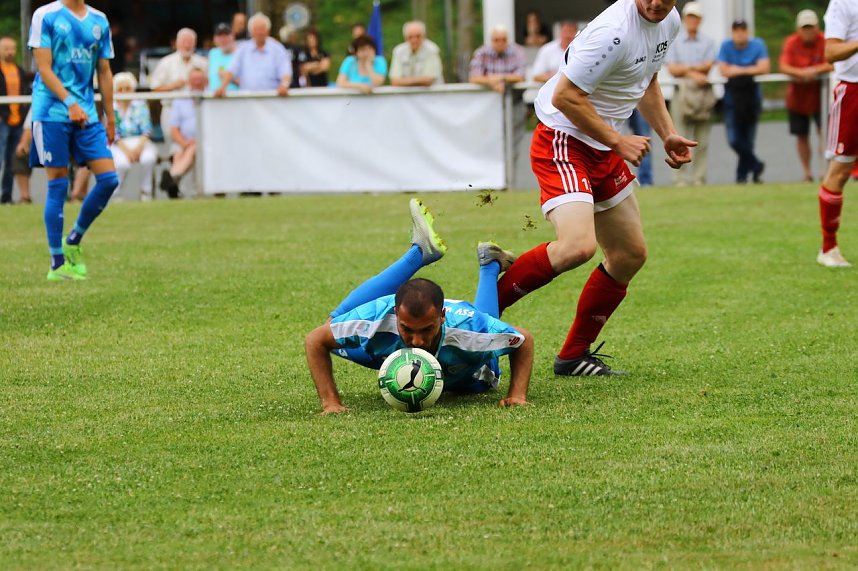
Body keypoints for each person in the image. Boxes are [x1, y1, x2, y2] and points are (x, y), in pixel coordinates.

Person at [495, 0, 696, 376]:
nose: (656, 3)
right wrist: (620, 142)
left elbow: (646, 81)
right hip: (564, 139)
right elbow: (564, 96)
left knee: (629, 254)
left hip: (602, 145)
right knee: (578, 247)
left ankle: (573, 356)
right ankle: (485, 308)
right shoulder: (612, 31)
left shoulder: (668, 21)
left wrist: (667, 133)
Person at [305, 199, 534, 414]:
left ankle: (489, 266)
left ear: (441, 317)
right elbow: (315, 340)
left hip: (469, 376)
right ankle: (428, 255)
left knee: (484, 332)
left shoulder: (471, 330)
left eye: (426, 329)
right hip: (390, 345)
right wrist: (331, 403)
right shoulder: (376, 316)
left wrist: (517, 394)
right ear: (394, 314)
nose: (416, 341)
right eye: (407, 329)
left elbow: (523, 340)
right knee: (331, 332)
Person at [28, 0, 120, 281]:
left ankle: (73, 240)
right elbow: (44, 68)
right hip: (51, 112)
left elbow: (103, 70)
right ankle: (57, 263)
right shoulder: (46, 15)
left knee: (109, 179)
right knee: (58, 185)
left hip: (88, 114)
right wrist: (69, 102)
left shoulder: (99, 20)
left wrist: (110, 115)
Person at [816, 0, 858, 268]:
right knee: (840, 171)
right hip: (853, 92)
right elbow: (830, 52)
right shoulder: (844, 2)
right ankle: (828, 247)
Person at [665, 1, 717, 187]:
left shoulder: (708, 41)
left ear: (700, 20)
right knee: (679, 137)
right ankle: (679, 179)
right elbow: (672, 68)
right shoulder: (675, 41)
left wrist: (686, 70)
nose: (692, 21)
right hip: (682, 92)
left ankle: (698, 178)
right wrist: (694, 72)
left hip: (703, 94)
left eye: (695, 17)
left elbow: (709, 65)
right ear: (685, 19)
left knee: (702, 140)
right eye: (689, 17)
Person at [780, 10, 833, 183]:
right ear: (799, 28)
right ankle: (807, 172)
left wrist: (814, 71)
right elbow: (784, 66)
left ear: (817, 27)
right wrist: (801, 73)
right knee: (801, 136)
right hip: (798, 99)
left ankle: (825, 170)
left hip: (821, 98)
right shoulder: (791, 42)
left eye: (811, 27)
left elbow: (833, 62)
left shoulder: (825, 40)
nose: (808, 31)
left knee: (824, 134)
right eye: (805, 28)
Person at [718, 19, 770, 184]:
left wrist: (738, 70)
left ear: (747, 31)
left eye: (743, 30)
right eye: (736, 30)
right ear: (732, 32)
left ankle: (742, 176)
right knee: (734, 139)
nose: (740, 33)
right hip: (732, 98)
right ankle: (755, 165)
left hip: (752, 97)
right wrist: (749, 70)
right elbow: (724, 70)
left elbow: (764, 68)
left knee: (748, 139)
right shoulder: (726, 46)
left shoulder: (758, 44)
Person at [150, 28, 207, 147]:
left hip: (197, 110)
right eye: (184, 41)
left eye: (190, 41)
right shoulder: (166, 62)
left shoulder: (203, 62)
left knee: (200, 145)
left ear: (195, 43)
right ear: (177, 43)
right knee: (173, 146)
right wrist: (173, 86)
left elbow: (210, 85)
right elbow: (154, 88)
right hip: (170, 109)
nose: (187, 45)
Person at [214, 12, 291, 97]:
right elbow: (232, 70)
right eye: (256, 29)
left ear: (268, 31)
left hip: (271, 99)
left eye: (262, 29)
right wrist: (222, 87)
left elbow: (285, 71)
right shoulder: (243, 49)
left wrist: (284, 85)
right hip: (248, 101)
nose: (259, 32)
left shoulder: (277, 49)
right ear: (251, 32)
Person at [110, 72, 158, 201]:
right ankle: (117, 194)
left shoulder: (140, 105)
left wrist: (137, 149)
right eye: (120, 89)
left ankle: (146, 192)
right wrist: (127, 151)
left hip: (140, 141)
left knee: (148, 158)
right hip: (118, 144)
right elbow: (113, 133)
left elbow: (146, 130)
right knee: (122, 164)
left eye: (127, 89)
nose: (124, 92)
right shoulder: (110, 108)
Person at [160, 67, 206, 199]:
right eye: (194, 80)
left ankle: (172, 176)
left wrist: (191, 143)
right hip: (183, 140)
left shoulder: (210, 97)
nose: (197, 82)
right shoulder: (180, 99)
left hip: (205, 141)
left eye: (200, 80)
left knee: (193, 148)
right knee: (179, 153)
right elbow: (174, 128)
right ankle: (174, 182)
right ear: (188, 81)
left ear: (205, 81)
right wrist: (184, 143)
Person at [0, 36, 29, 204]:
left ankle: (6, 196)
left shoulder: (19, 71)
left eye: (12, 48)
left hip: (17, 121)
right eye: (6, 49)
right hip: (2, 121)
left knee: (12, 160)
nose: (10, 52)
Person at [469, 25, 526, 94]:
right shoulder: (481, 53)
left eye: (503, 40)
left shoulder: (517, 52)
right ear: (491, 40)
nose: (500, 43)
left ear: (508, 40)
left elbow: (521, 76)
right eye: (497, 40)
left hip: (515, 99)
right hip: (487, 98)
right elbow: (474, 78)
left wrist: (501, 78)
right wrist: (491, 83)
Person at [389, 21, 444, 87]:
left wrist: (403, 81)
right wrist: (420, 80)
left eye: (418, 36)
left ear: (424, 36)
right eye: (410, 37)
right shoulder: (398, 51)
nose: (414, 40)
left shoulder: (432, 50)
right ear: (405, 38)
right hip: (406, 96)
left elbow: (428, 80)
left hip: (433, 96)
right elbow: (394, 81)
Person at [208, 23, 238, 94]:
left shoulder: (240, 54)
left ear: (233, 36)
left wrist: (229, 77)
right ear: (214, 39)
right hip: (213, 99)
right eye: (219, 36)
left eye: (226, 35)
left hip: (236, 100)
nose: (223, 39)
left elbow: (249, 81)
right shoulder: (212, 53)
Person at [12, 108, 32, 204]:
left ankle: (77, 195)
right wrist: (24, 143)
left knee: (83, 156)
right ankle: (25, 197)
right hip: (42, 139)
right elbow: (29, 125)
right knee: (19, 155)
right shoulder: (40, 98)